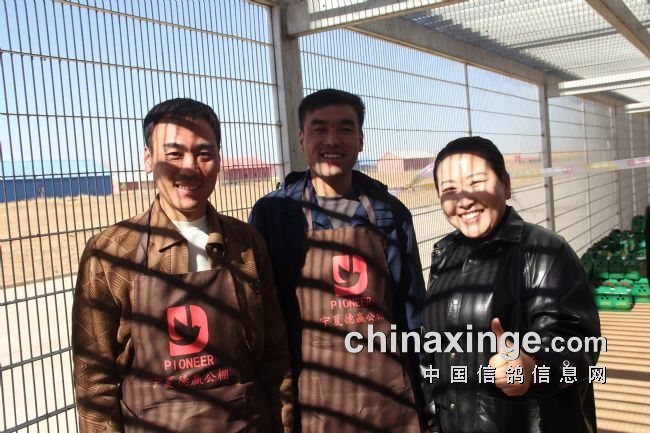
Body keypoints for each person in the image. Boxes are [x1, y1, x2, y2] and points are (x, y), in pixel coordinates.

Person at [72, 98, 293, 433]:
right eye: (174, 154)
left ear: (218, 159)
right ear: (148, 158)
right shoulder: (111, 254)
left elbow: (276, 360)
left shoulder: (247, 244)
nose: (189, 167)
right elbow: (94, 380)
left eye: (204, 153)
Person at [249, 88, 426, 432]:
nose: (332, 140)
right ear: (302, 138)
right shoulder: (274, 214)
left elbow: (411, 310)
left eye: (345, 128)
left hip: (387, 393)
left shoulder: (389, 212)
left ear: (361, 139)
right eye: (319, 129)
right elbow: (265, 318)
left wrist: (425, 392)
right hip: (313, 396)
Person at [420, 136, 601, 433]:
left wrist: (532, 366)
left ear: (505, 184)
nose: (464, 201)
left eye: (477, 182)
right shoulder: (445, 254)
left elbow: (577, 341)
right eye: (450, 190)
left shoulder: (544, 250)